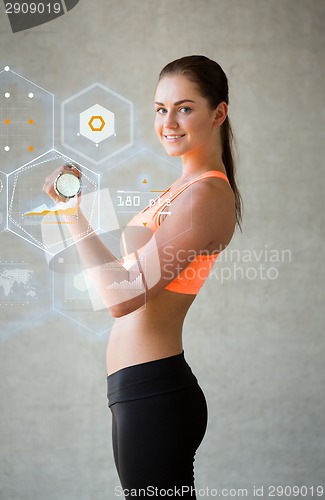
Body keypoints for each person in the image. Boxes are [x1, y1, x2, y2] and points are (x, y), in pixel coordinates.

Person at [43, 55, 242, 498]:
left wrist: (71, 215)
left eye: (184, 108)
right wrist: (70, 209)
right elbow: (124, 276)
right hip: (137, 389)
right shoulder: (181, 190)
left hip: (154, 392)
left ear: (219, 113)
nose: (168, 122)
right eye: (160, 109)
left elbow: (123, 296)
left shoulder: (206, 194)